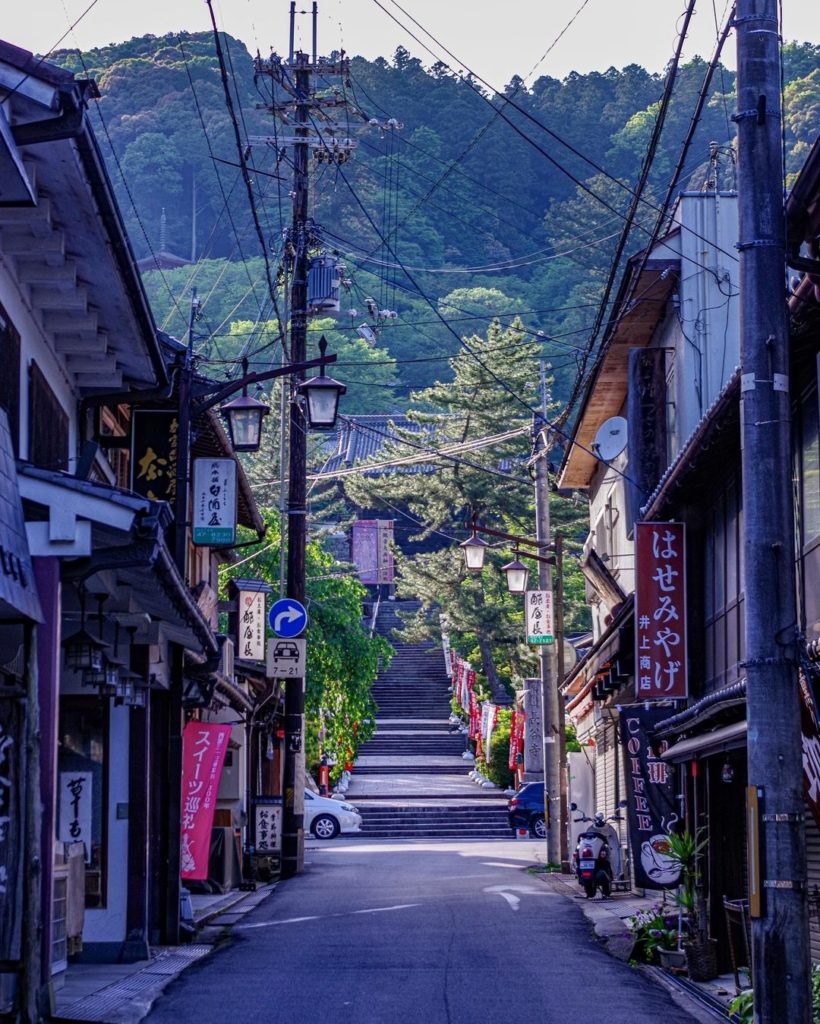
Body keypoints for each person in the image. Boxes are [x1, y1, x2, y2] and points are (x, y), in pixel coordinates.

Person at [592, 811, 623, 881]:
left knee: (614, 853)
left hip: (610, 848)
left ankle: (616, 874)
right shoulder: (592, 828)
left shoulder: (609, 828)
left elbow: (614, 844)